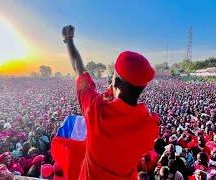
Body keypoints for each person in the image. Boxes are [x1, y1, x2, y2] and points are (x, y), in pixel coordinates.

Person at [60, 25, 159, 179]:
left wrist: (69, 40)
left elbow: (78, 68)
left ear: (117, 82)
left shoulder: (96, 109)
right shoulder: (149, 127)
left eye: (113, 75)